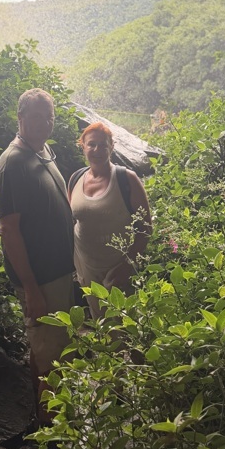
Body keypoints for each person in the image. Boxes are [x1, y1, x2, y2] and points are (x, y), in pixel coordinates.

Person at [0, 88, 75, 426]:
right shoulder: (12, 163)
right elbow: (9, 231)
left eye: (49, 117)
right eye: (38, 117)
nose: (45, 123)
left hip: (58, 276)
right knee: (50, 362)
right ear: (21, 118)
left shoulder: (42, 152)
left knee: (49, 353)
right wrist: (31, 289)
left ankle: (52, 432)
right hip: (40, 280)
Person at [68, 122, 152, 319]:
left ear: (111, 147)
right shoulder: (75, 179)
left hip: (118, 269)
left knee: (130, 328)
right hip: (87, 269)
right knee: (102, 325)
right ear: (83, 146)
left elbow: (145, 229)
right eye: (91, 144)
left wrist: (126, 266)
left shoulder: (126, 179)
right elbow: (72, 222)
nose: (97, 150)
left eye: (103, 145)